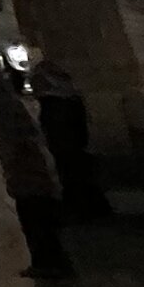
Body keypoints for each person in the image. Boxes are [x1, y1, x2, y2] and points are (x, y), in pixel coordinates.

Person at [0, 67, 74, 279]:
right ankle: (51, 261)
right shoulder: (11, 103)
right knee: (36, 215)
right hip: (28, 168)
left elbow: (18, 138)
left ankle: (48, 262)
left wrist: (13, 161)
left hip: (27, 169)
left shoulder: (6, 106)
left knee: (35, 215)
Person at [28, 60, 105, 219]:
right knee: (77, 175)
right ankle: (89, 206)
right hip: (71, 145)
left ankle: (81, 208)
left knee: (73, 175)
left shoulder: (56, 103)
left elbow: (57, 126)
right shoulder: (70, 99)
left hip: (65, 145)